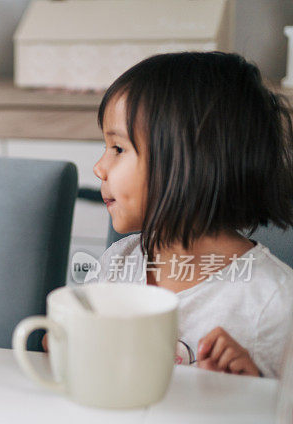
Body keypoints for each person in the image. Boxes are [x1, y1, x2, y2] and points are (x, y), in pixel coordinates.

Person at [85, 51, 293, 377]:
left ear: (190, 162)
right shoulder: (117, 263)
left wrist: (253, 387)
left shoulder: (274, 302)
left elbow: (282, 420)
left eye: (118, 149)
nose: (99, 167)